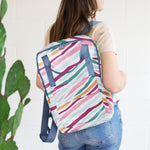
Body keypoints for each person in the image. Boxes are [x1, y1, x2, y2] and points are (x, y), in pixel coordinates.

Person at [36, 0, 127, 149]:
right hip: (101, 122)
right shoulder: (101, 30)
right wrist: (123, 77)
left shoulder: (54, 32)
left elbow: (41, 82)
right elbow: (113, 83)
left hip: (69, 124)